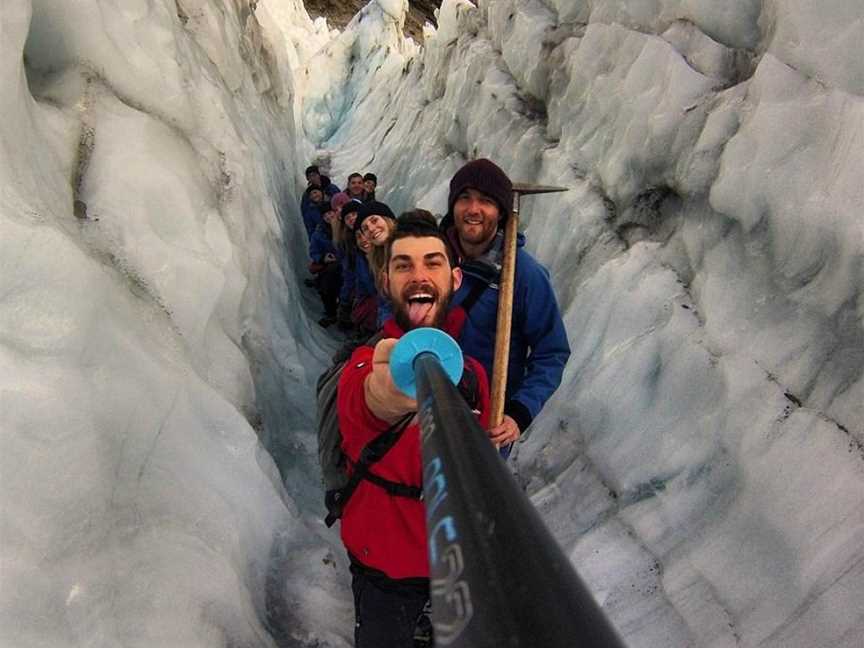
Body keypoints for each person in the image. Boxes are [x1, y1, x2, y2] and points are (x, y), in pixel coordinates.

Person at [337, 213, 491, 648]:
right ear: (385, 280)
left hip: (453, 565)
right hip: (385, 567)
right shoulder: (365, 364)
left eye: (433, 263)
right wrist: (407, 379)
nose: (418, 275)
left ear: (455, 278)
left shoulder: (475, 374)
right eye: (403, 264)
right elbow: (375, 396)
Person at [440, 158, 570, 452]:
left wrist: (519, 412)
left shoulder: (524, 276)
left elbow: (551, 352)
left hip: (484, 424)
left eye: (485, 201)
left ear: (499, 211)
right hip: (423, 409)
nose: (473, 209)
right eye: (465, 198)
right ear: (453, 206)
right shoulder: (432, 258)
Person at [308, 203, 342, 327]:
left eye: (330, 212)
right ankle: (331, 312)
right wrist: (323, 258)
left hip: (345, 265)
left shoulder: (344, 228)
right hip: (329, 266)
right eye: (325, 214)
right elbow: (313, 251)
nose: (329, 216)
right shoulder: (319, 233)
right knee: (326, 285)